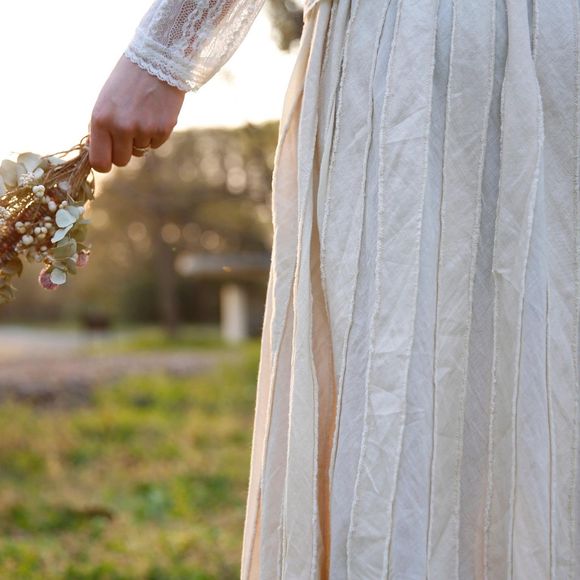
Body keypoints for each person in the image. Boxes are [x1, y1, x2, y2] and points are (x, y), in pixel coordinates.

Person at [90, 1, 580, 578]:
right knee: (533, 360)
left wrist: (164, 52)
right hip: (547, 49)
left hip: (416, 55)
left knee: (396, 380)